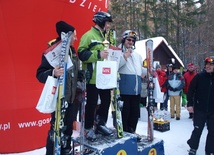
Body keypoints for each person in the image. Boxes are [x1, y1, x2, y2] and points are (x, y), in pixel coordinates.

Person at [36, 21, 78, 155]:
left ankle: (66, 150)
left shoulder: (72, 50)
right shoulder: (53, 52)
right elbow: (40, 74)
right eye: (74, 36)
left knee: (68, 129)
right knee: (56, 130)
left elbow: (73, 71)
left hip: (71, 97)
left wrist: (81, 75)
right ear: (66, 36)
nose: (76, 38)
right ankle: (51, 152)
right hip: (59, 99)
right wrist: (53, 73)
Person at [77, 11, 113, 142]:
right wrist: (98, 54)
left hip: (105, 77)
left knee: (106, 101)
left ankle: (100, 124)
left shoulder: (105, 37)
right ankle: (87, 128)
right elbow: (81, 54)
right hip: (92, 77)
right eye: (107, 23)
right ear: (101, 22)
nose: (108, 26)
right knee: (91, 103)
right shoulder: (88, 35)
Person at [187, 56, 214, 155]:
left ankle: (210, 151)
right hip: (200, 109)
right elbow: (190, 90)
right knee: (197, 130)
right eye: (207, 64)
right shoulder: (199, 77)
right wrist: (190, 104)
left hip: (212, 111)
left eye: (211, 64)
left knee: (212, 132)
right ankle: (193, 148)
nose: (208, 66)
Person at [118, 30, 143, 136]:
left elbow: (139, 70)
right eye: (129, 39)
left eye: (133, 40)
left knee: (135, 112)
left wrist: (149, 71)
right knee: (125, 112)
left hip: (136, 89)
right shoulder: (118, 51)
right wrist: (124, 57)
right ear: (124, 39)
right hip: (124, 88)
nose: (131, 42)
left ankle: (132, 130)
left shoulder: (137, 55)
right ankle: (123, 131)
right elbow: (115, 66)